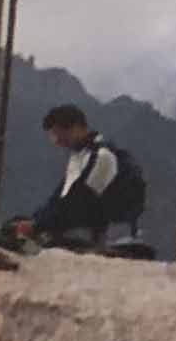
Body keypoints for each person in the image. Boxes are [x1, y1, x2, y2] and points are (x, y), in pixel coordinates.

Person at [13, 105, 143, 250]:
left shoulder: (102, 157)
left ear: (75, 128)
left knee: (29, 248)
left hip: (94, 234)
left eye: (58, 134)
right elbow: (60, 197)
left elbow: (79, 203)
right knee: (13, 229)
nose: (56, 141)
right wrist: (35, 220)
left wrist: (38, 226)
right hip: (72, 226)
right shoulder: (78, 156)